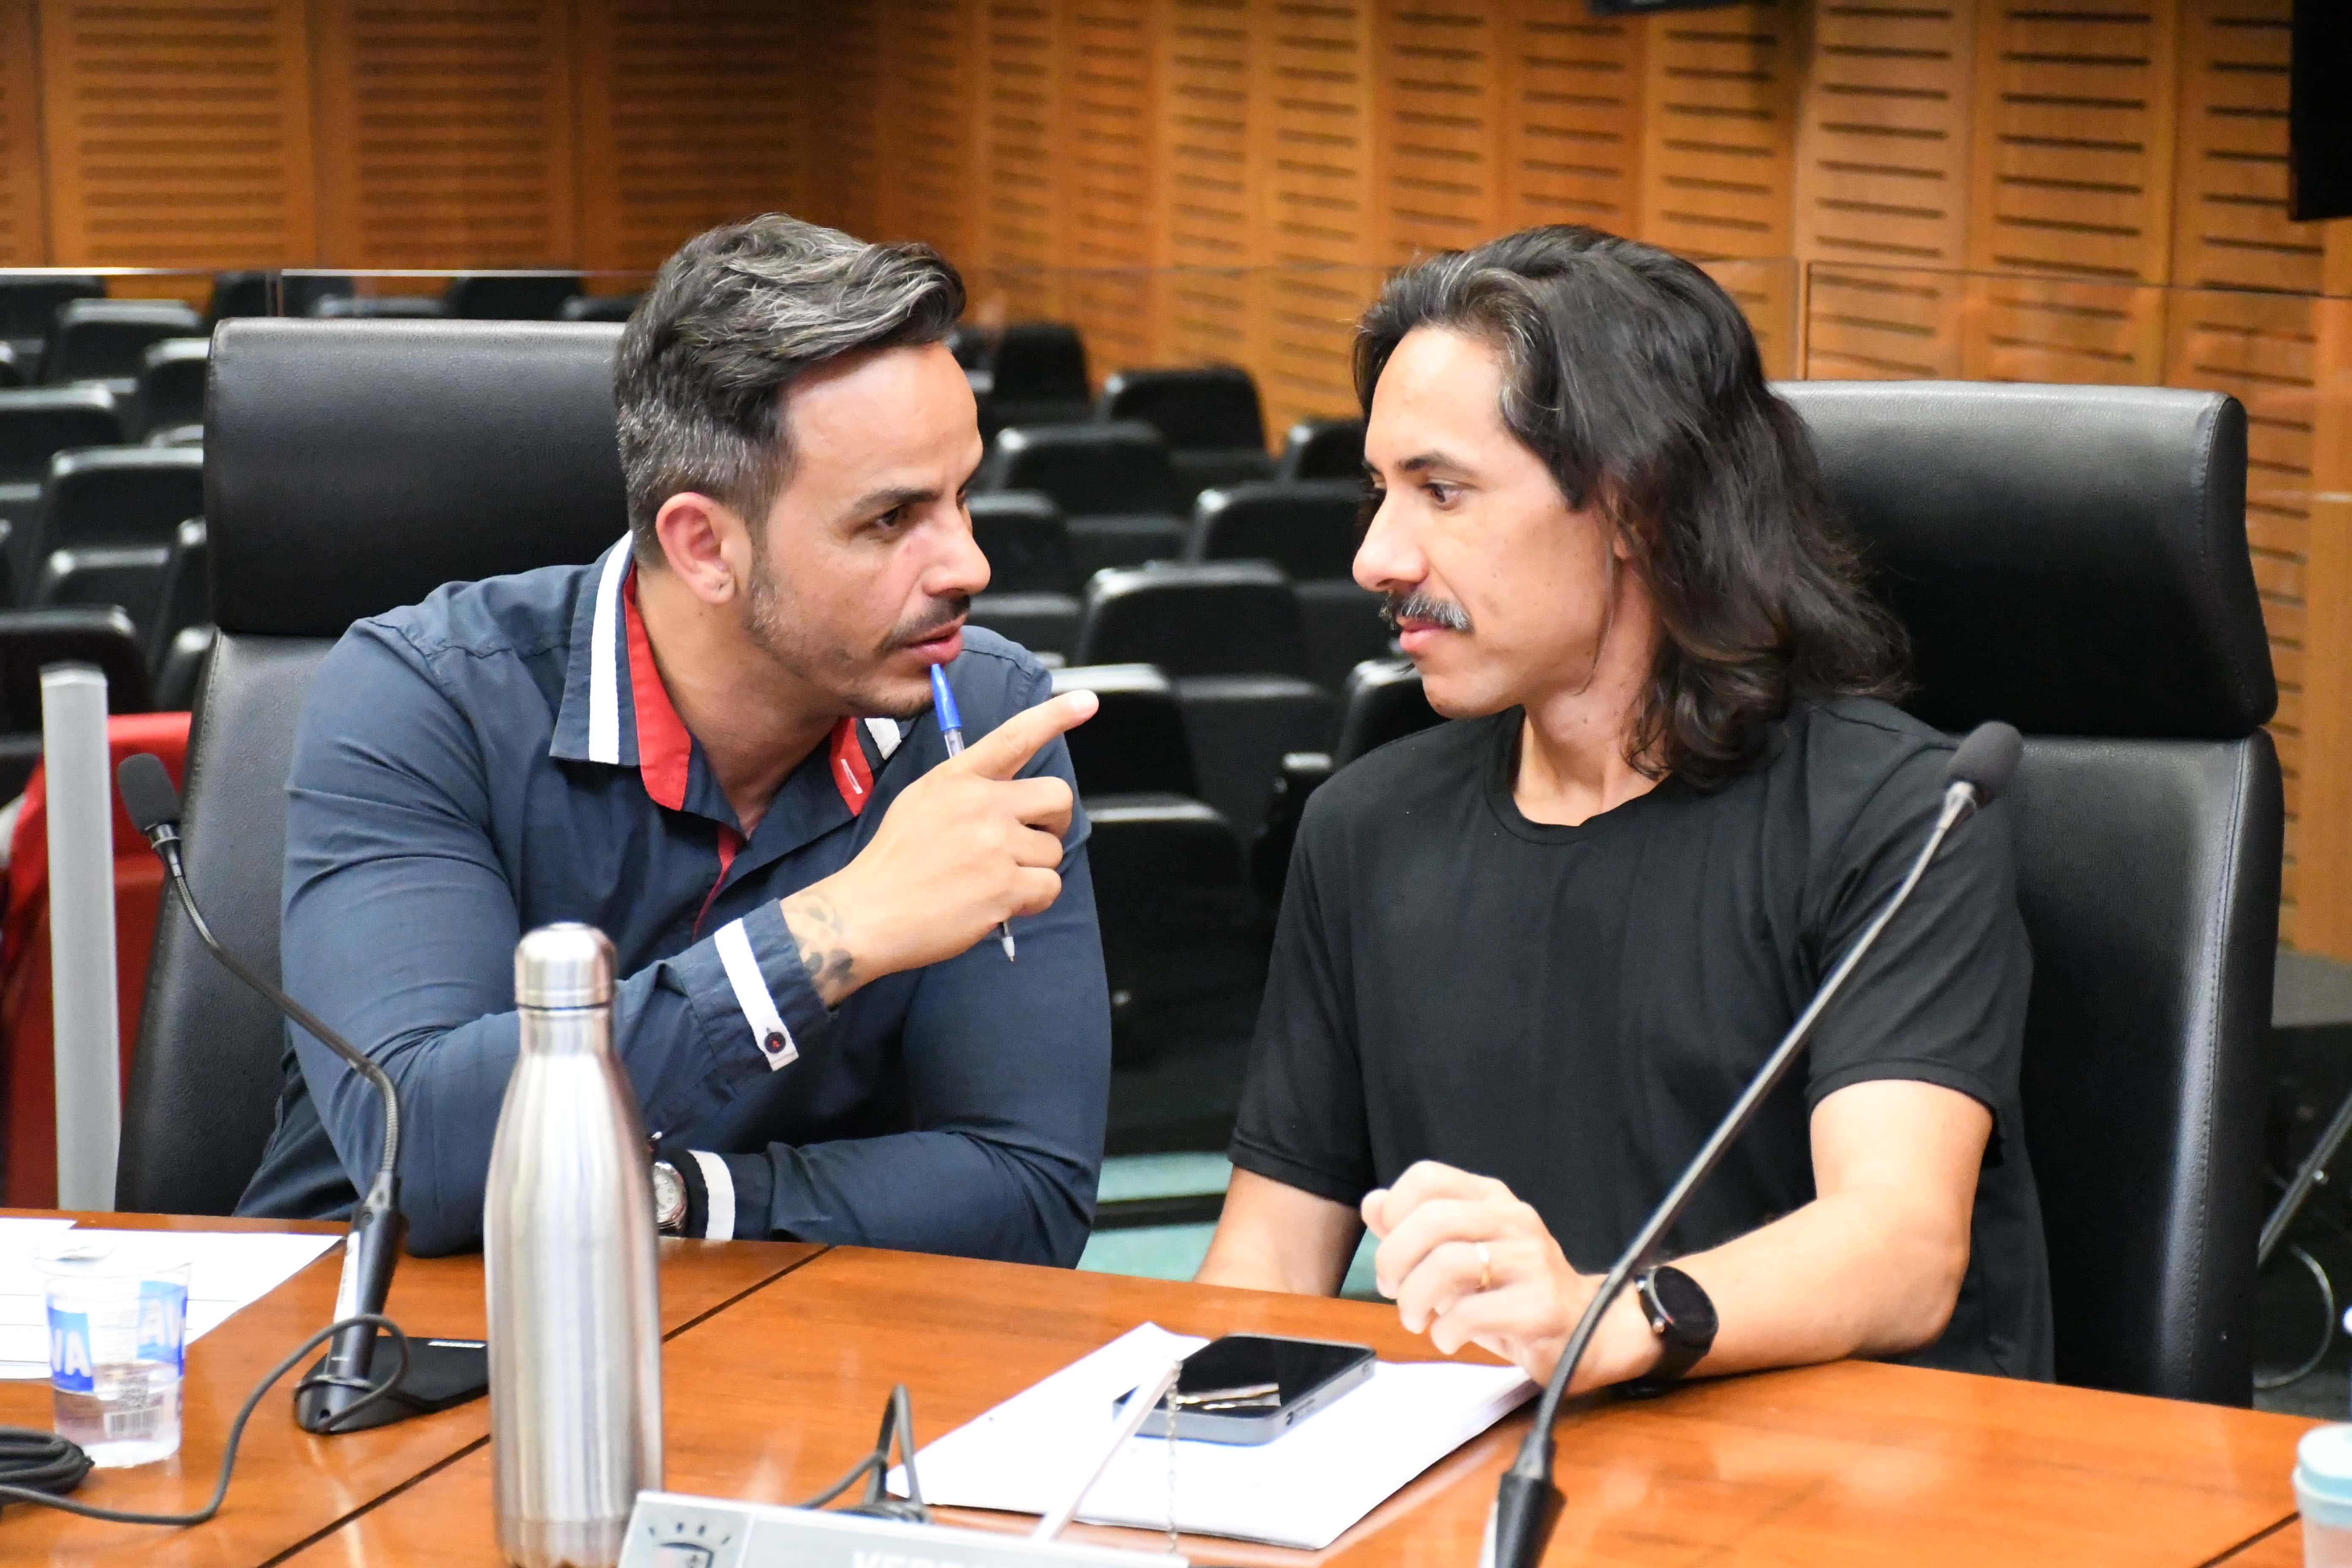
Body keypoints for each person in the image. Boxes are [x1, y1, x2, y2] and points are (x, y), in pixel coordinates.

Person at [1196, 226, 2052, 1391]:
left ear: (1636, 506)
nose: (1377, 557)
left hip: (1839, 1467)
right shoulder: (1365, 828)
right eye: (1379, 492)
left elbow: (1900, 1249)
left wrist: (1609, 1319)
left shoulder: (1903, 816)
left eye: (1441, 492)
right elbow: (1268, 1260)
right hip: (1503, 1458)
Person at [237, 214, 1111, 1260]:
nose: (967, 564)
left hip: (783, 1334)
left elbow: (1028, 1192)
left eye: (962, 497)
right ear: (703, 545)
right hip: (381, 1327)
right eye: (890, 520)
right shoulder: (425, 696)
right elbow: (420, 1152)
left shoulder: (986, 714)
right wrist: (832, 933)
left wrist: (676, 1195)